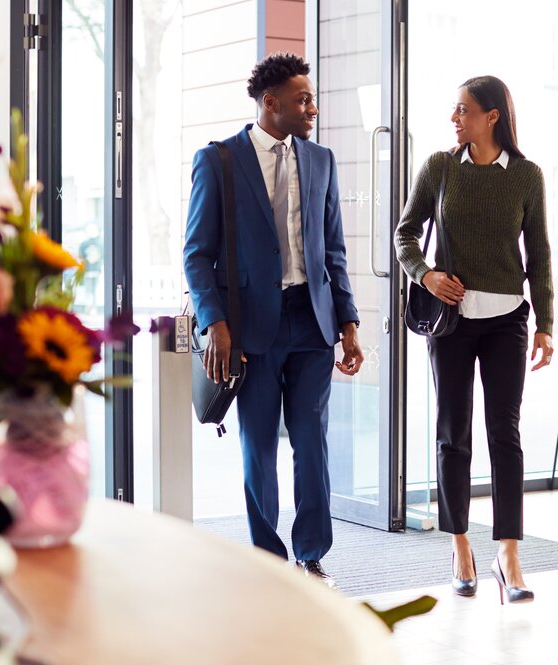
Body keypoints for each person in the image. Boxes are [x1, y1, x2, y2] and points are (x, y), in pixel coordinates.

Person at [183, 53, 363, 588]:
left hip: (312, 321)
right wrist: (216, 324)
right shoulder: (218, 161)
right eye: (303, 100)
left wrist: (349, 322)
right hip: (250, 330)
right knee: (258, 446)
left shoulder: (321, 160)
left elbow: (334, 251)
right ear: (270, 102)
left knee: (312, 443)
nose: (313, 109)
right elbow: (196, 254)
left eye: (312, 100)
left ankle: (311, 555)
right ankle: (268, 560)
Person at [394, 75, 554, 604]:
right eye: (454, 110)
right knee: (453, 433)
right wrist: (426, 275)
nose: (454, 119)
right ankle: (460, 544)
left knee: (505, 435)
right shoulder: (440, 168)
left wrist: (546, 324)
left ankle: (508, 553)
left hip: (508, 321)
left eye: (463, 110)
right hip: (452, 322)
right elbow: (404, 234)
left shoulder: (526, 176)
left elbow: (539, 255)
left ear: (492, 116)